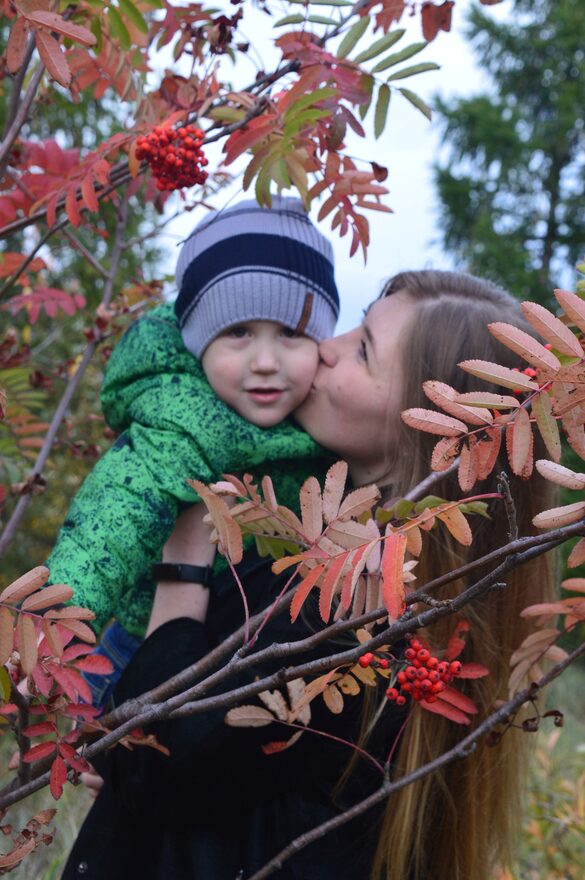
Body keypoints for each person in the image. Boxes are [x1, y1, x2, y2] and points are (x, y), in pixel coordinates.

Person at [63, 270, 555, 880]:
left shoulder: (358, 611)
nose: (325, 345)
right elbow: (192, 771)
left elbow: (152, 764)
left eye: (364, 350)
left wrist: (184, 557)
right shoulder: (363, 566)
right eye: (354, 325)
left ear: (427, 428)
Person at [43, 196, 339, 704]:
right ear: (199, 341)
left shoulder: (327, 420)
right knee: (112, 772)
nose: (265, 361)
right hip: (133, 651)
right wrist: (54, 628)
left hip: (246, 654)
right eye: (238, 332)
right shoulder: (180, 418)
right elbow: (112, 518)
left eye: (291, 333)